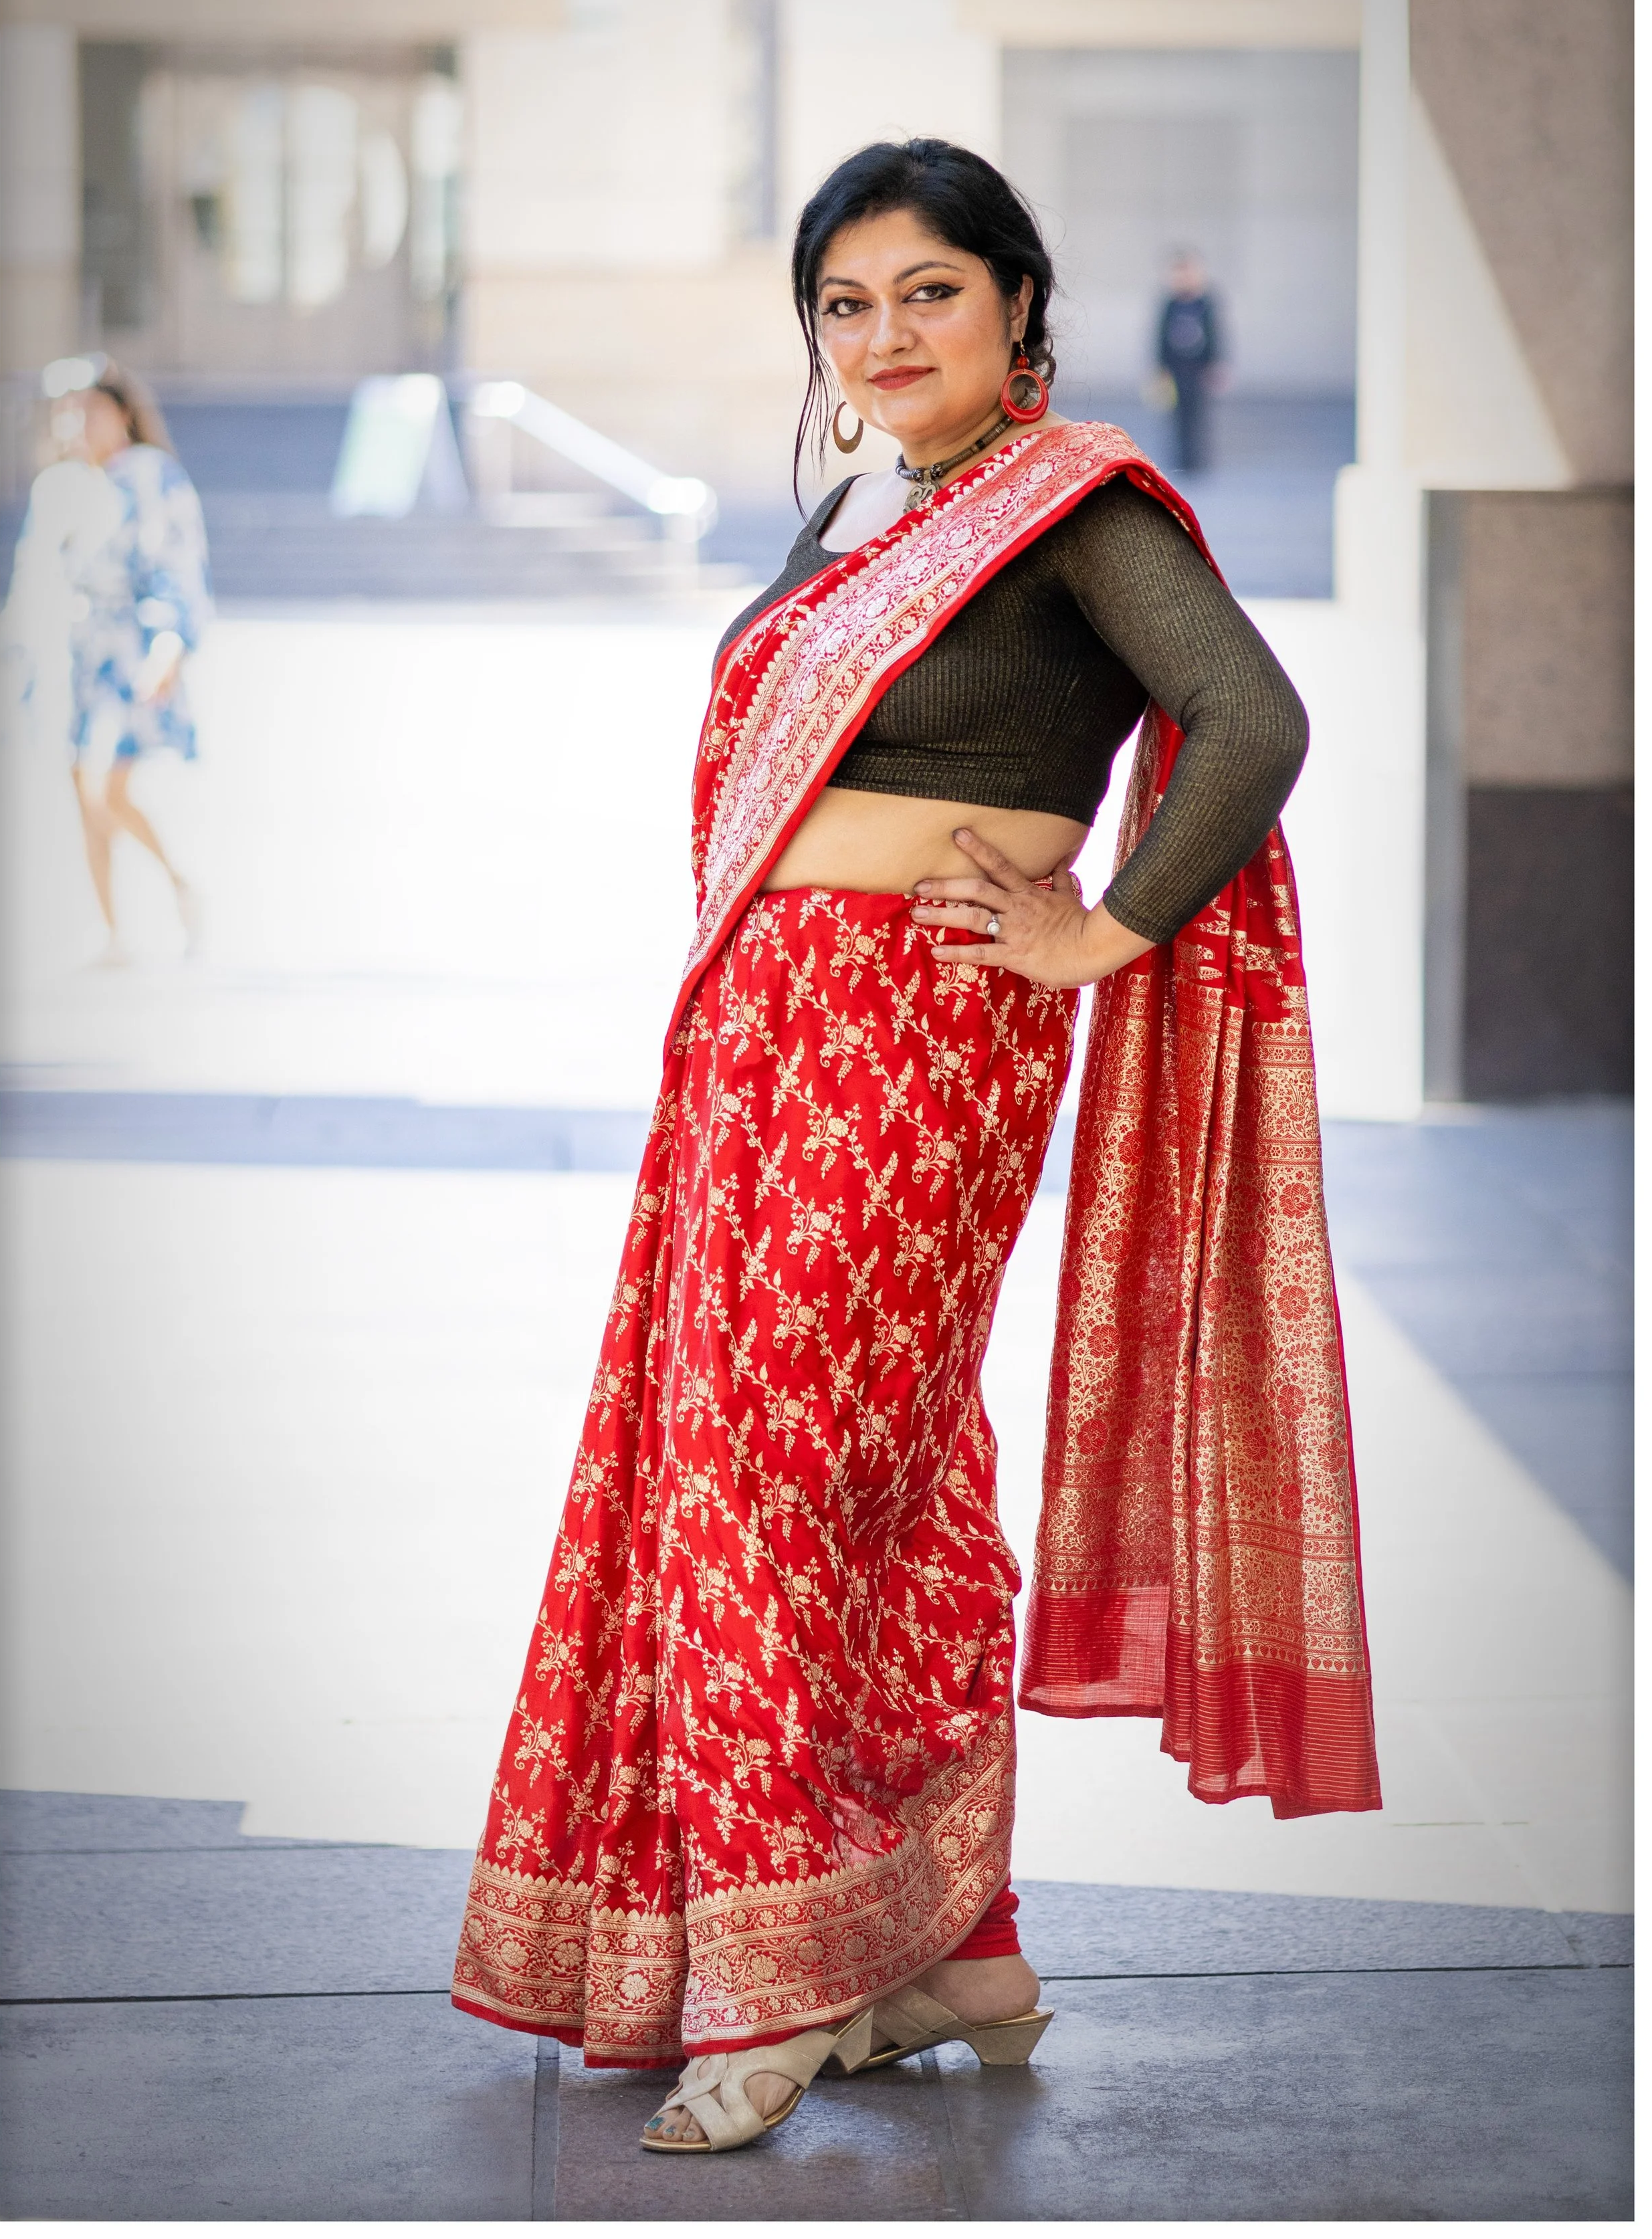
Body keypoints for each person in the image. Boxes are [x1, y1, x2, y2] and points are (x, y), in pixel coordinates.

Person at [453, 141, 1379, 2154]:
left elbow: (1248, 716)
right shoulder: (853, 506)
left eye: (927, 292)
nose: (882, 336)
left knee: (763, 1464)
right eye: (844, 304)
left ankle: (778, 1982)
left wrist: (1101, 928)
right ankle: (952, 1944)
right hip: (759, 1038)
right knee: (863, 1469)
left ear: (1018, 306)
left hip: (915, 1032)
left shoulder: (1074, 507)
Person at [3, 356, 210, 960]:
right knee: (80, 789)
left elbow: (179, 563)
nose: (79, 423)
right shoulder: (59, 486)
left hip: (131, 651)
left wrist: (171, 645)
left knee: (107, 789)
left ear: (121, 414)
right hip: (72, 657)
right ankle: (112, 929)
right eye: (70, 412)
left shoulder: (153, 476)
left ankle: (179, 884)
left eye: (90, 409)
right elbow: (32, 575)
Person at [1154, 248, 1227, 474]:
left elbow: (1215, 335)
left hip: (1199, 368)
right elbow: (1160, 337)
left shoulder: (1206, 303)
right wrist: (1160, 368)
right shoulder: (1170, 304)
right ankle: (1181, 460)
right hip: (1176, 368)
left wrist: (1217, 365)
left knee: (1199, 414)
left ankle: (1198, 460)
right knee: (1178, 415)